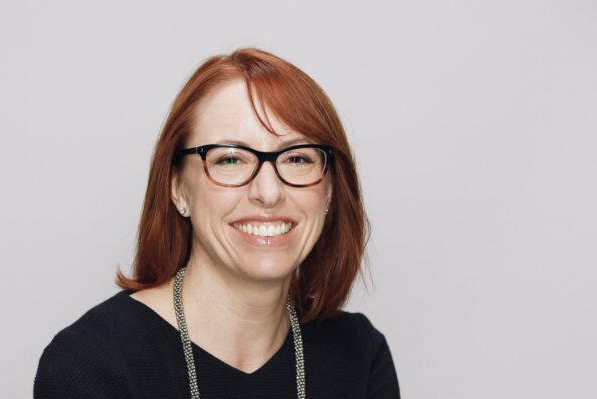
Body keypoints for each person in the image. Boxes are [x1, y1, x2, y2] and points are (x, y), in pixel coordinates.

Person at [33, 48, 400, 399]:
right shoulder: (92, 365)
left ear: (331, 189)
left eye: (297, 158)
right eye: (229, 159)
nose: (268, 192)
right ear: (177, 188)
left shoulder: (360, 355)